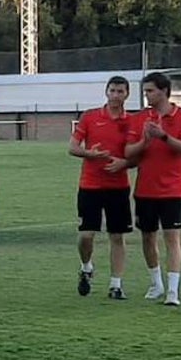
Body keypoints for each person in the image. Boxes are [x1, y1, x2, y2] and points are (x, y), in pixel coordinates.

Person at [125, 71, 181, 306]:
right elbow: (128, 152)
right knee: (147, 237)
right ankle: (156, 284)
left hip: (173, 189)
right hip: (145, 189)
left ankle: (173, 291)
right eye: (145, 91)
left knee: (172, 238)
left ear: (164, 91)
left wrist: (163, 136)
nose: (146, 95)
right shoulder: (140, 118)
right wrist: (145, 141)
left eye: (150, 91)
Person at [68, 76, 133, 299]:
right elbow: (72, 147)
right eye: (112, 90)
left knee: (117, 236)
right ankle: (86, 267)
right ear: (106, 92)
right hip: (90, 184)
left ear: (127, 94)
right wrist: (90, 154)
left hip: (118, 186)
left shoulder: (131, 122)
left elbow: (138, 154)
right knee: (86, 235)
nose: (116, 95)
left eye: (120, 91)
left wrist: (124, 163)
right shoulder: (90, 117)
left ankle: (116, 285)